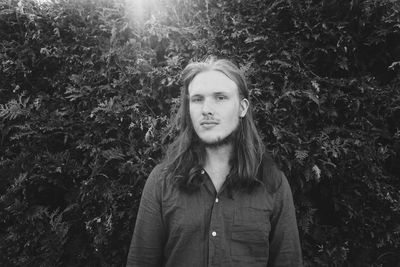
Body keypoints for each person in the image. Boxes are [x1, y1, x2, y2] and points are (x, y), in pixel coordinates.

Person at [126, 57, 303, 267]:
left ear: (242, 108)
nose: (206, 109)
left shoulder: (273, 184)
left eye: (220, 97)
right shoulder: (162, 181)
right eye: (198, 99)